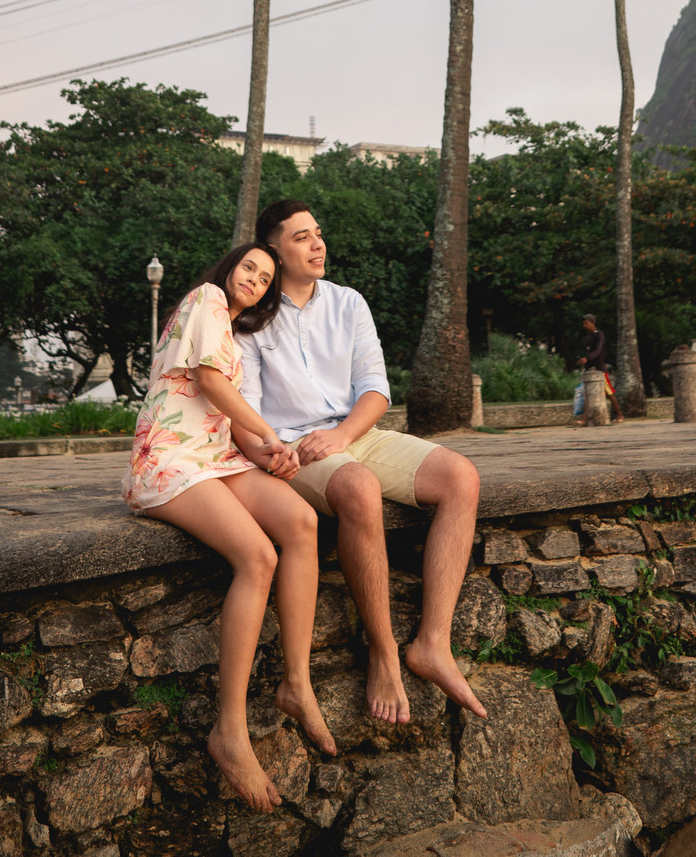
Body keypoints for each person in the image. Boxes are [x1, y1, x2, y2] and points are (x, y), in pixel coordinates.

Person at [239, 199, 486, 727]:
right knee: (357, 487)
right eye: (302, 237)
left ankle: (432, 644)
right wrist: (273, 448)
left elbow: (374, 388)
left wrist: (344, 434)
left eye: (318, 233)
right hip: (293, 448)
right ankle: (385, 651)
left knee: (460, 476)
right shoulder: (253, 319)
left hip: (356, 432)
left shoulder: (349, 303)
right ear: (274, 251)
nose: (317, 244)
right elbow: (249, 409)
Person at [122, 242, 334, 814]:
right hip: (169, 459)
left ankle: (297, 682)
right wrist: (275, 438)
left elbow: (223, 416)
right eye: (250, 268)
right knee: (258, 557)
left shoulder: (231, 330)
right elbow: (213, 387)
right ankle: (230, 731)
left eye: (266, 278)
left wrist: (270, 457)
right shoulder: (206, 298)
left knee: (300, 520)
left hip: (215, 459)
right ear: (228, 267)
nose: (256, 281)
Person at [577, 312, 624, 423]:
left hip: (600, 369)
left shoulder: (599, 335)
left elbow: (597, 352)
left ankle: (619, 414)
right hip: (590, 369)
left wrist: (587, 359)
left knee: (609, 392)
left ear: (593, 323)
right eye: (583, 323)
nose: (584, 326)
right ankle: (584, 418)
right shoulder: (589, 338)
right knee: (587, 392)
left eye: (586, 323)